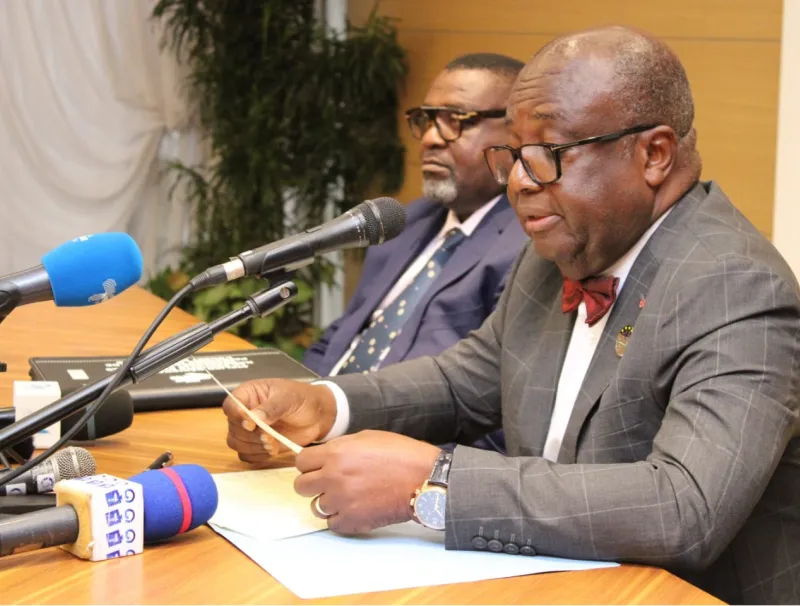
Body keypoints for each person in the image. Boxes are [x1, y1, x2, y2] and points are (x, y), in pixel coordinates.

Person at [223, 26, 800, 605]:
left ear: (653, 154)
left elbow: (684, 506)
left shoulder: (735, 285)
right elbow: (462, 382)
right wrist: (328, 403)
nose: (521, 183)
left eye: (549, 153)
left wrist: (436, 484)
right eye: (514, 155)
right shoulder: (560, 250)